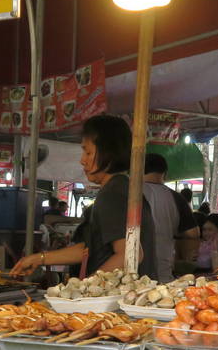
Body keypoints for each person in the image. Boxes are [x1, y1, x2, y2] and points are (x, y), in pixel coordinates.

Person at [11, 115, 158, 280]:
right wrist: (40, 258)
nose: (82, 160)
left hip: (117, 301)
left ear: (108, 153)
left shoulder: (113, 194)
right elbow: (89, 249)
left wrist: (86, 290)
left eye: (88, 152)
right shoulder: (122, 188)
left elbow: (130, 254)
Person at [142, 153, 199, 283]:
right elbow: (193, 233)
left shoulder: (129, 193)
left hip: (131, 275)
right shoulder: (175, 197)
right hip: (163, 273)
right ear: (165, 173)